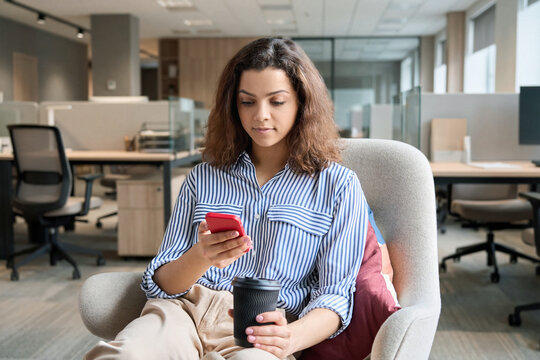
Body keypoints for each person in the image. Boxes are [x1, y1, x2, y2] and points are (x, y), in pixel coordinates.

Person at [85, 37, 369, 360]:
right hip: (183, 313)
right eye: (248, 102)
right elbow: (159, 283)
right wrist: (201, 256)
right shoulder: (203, 177)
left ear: (301, 103)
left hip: (259, 331)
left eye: (276, 102)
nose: (260, 116)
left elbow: (335, 297)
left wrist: (290, 338)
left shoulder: (338, 186)